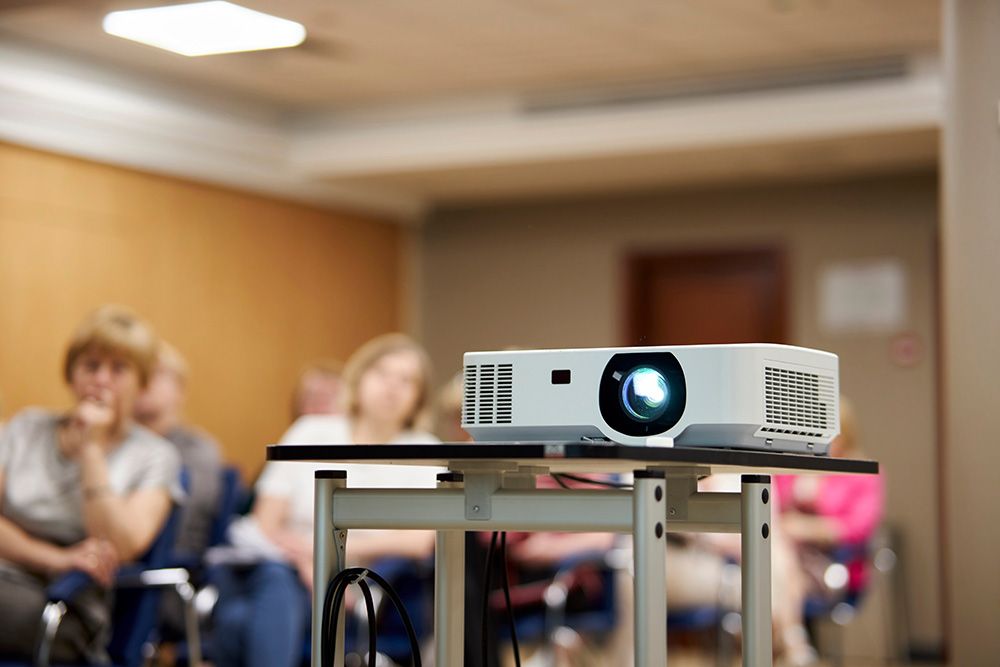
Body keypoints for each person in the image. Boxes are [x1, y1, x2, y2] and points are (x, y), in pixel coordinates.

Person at [210, 333, 441, 667]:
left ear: (418, 398)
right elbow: (266, 521)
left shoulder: (426, 451)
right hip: (285, 565)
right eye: (382, 373)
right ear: (358, 378)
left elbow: (420, 542)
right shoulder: (311, 432)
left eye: (407, 380)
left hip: (359, 582)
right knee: (271, 586)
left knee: (240, 621)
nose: (392, 387)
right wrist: (311, 565)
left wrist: (329, 557)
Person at [0, 305, 182, 663]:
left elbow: (119, 545)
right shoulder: (26, 428)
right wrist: (56, 557)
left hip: (66, 604)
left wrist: (92, 451)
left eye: (119, 369)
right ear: (71, 374)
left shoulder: (156, 456)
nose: (101, 379)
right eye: (91, 366)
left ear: (141, 384)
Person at [134, 340, 222, 560]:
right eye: (140, 373)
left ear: (180, 390)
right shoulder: (113, 442)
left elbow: (186, 523)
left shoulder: (198, 449)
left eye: (156, 374)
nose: (145, 382)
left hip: (166, 567)